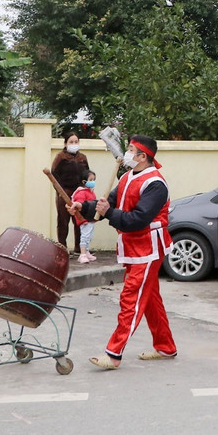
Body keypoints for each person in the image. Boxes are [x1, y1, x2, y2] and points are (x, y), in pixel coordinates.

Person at [68, 134, 176, 369]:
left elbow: (138, 219)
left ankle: (114, 353)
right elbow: (108, 204)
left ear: (142, 156)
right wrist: (83, 207)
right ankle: (166, 346)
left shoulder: (155, 184)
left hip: (148, 248)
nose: (126, 154)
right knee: (150, 300)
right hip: (133, 246)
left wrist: (107, 212)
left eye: (130, 150)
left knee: (131, 299)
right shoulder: (127, 177)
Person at [51, 131, 89, 255]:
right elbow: (54, 175)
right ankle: (62, 249)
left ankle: (79, 248)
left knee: (79, 221)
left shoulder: (82, 158)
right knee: (63, 221)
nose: (74, 144)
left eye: (76, 142)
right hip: (64, 193)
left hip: (79, 194)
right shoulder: (60, 157)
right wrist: (60, 192)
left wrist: (86, 188)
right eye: (71, 142)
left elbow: (87, 175)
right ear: (65, 143)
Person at [71, 169, 98, 264]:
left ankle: (86, 252)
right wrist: (82, 219)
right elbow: (80, 206)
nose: (93, 182)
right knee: (85, 236)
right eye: (91, 180)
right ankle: (82, 254)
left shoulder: (90, 192)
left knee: (89, 236)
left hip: (90, 218)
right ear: (84, 181)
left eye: (94, 179)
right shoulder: (81, 193)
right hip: (84, 219)